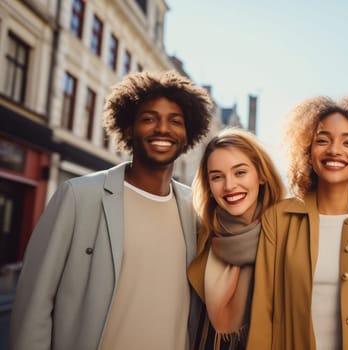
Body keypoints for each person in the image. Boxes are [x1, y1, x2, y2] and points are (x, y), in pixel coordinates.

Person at [9, 70, 214, 350]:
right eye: (149, 118)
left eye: (175, 121)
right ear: (128, 128)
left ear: (188, 134)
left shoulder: (196, 210)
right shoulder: (78, 196)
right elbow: (35, 302)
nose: (162, 129)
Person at [247, 95, 348, 350]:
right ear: (308, 152)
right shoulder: (278, 218)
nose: (334, 150)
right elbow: (263, 311)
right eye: (322, 140)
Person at [187, 128, 285, 350]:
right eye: (217, 177)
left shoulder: (288, 239)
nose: (229, 186)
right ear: (209, 187)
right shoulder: (199, 237)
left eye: (240, 172)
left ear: (261, 175)